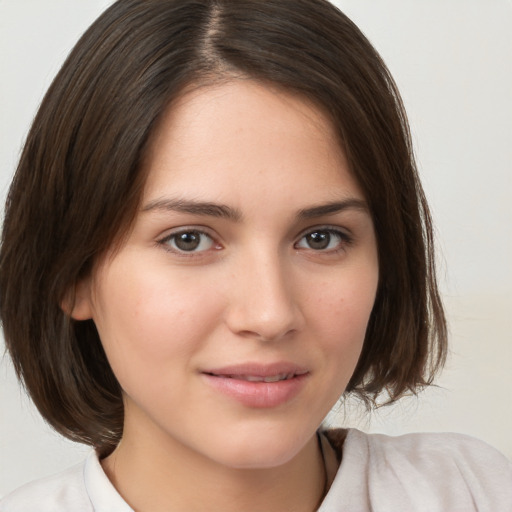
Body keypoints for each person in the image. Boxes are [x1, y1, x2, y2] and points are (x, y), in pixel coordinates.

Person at [0, 0, 510, 510]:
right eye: (189, 239)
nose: (270, 315)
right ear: (71, 272)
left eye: (321, 238)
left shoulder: (474, 492)